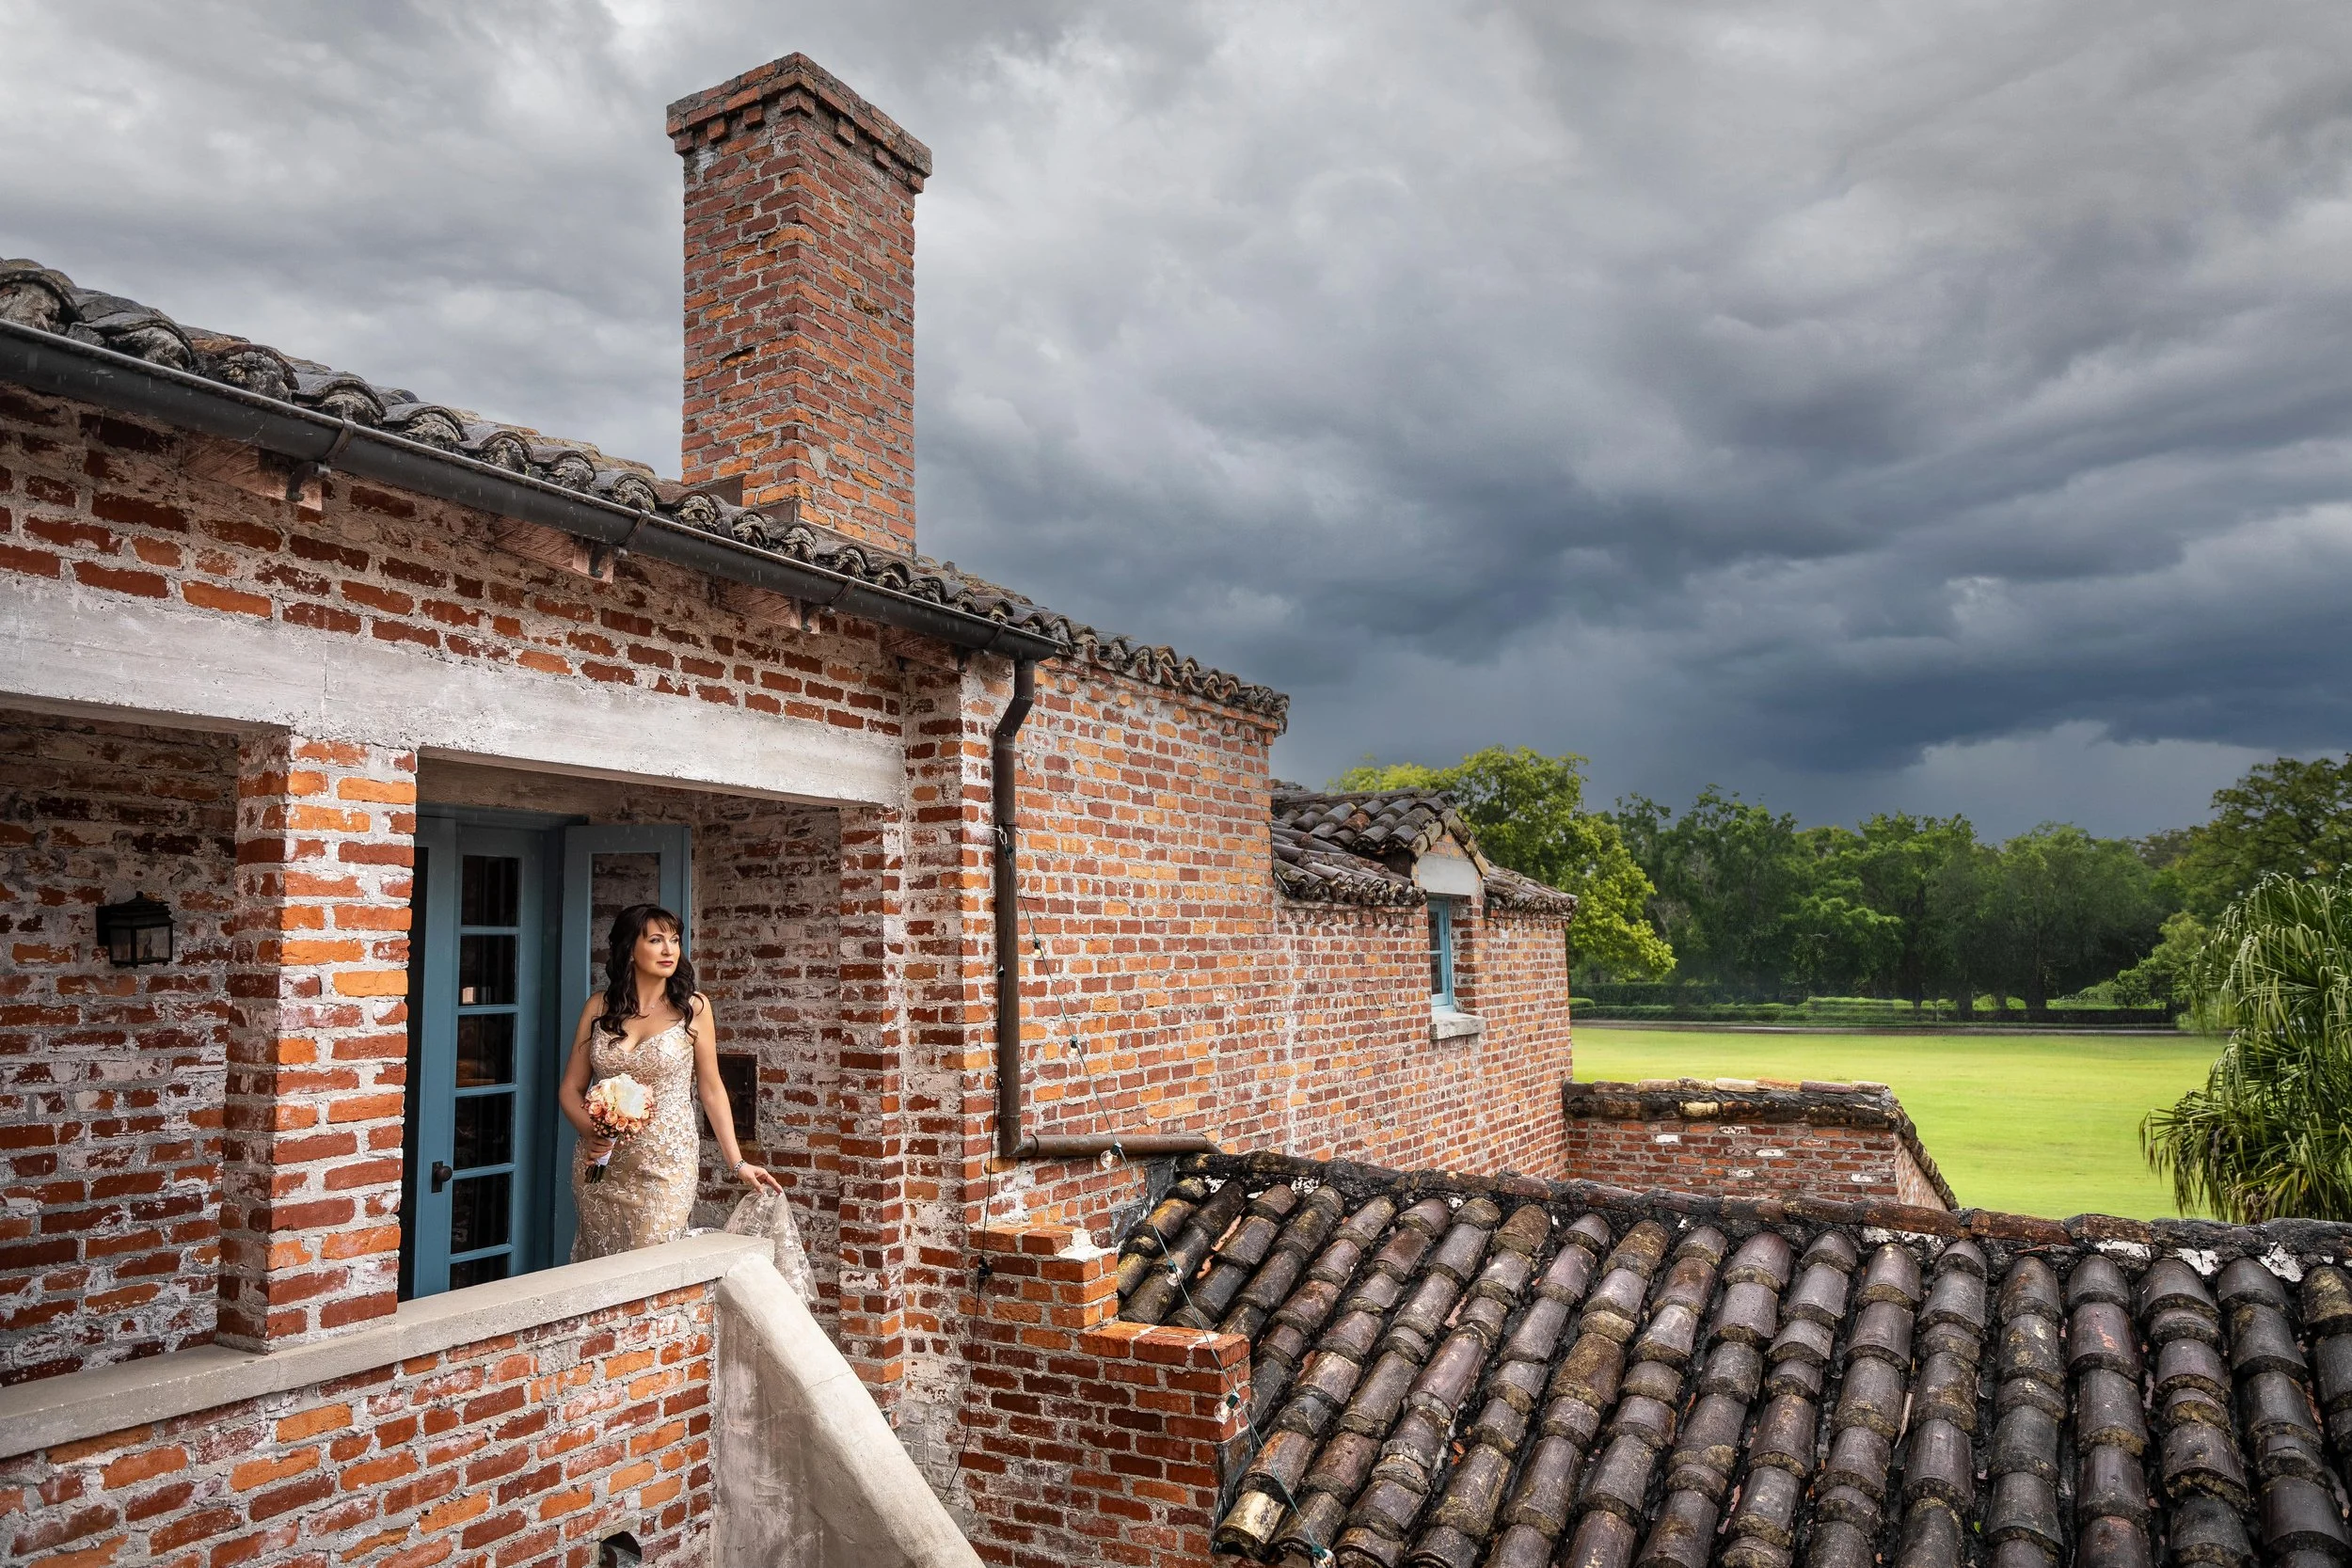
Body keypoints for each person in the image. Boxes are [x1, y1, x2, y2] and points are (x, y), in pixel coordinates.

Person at [561, 903, 782, 1262]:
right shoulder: (598, 1008)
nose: (669, 950)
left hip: (665, 1165)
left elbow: (711, 1089)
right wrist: (590, 1130)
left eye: (675, 940)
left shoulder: (693, 1008)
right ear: (630, 949)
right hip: (600, 1165)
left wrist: (738, 1163)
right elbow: (570, 1088)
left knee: (651, 1265)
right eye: (656, 940)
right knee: (598, 1264)